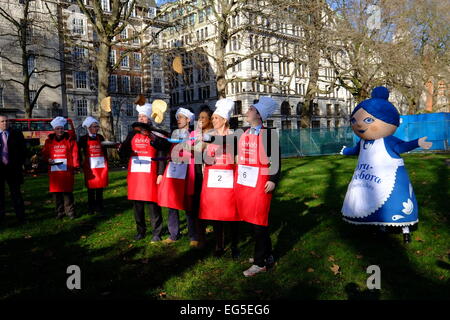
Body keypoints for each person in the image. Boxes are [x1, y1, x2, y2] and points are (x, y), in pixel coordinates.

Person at [340, 86, 432, 243]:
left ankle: (405, 229)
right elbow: (355, 150)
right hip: (366, 178)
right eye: (355, 120)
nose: (360, 125)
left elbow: (401, 147)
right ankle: (377, 224)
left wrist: (417, 142)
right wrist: (345, 151)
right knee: (365, 199)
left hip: (390, 177)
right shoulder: (363, 142)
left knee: (395, 201)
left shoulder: (387, 140)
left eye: (368, 120)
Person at [234, 97, 281, 277]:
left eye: (251, 109)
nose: (247, 111)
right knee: (254, 221)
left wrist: (274, 179)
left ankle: (260, 263)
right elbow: (228, 141)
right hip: (247, 182)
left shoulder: (269, 134)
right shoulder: (244, 132)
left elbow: (276, 159)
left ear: (259, 115)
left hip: (262, 182)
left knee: (259, 221)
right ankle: (266, 255)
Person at [119, 102, 171, 242]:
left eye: (144, 117)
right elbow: (123, 152)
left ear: (149, 119)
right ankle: (140, 231)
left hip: (150, 175)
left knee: (153, 204)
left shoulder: (155, 133)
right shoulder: (131, 134)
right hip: (136, 174)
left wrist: (160, 173)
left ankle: (156, 232)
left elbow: (163, 149)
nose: (141, 119)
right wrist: (124, 150)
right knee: (137, 206)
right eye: (139, 116)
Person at [198, 98, 240, 258]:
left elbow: (237, 158)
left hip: (229, 180)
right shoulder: (208, 135)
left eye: (215, 118)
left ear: (224, 120)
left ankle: (235, 245)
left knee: (232, 214)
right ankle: (219, 245)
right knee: (216, 215)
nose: (213, 120)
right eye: (213, 118)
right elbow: (200, 155)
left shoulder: (233, 135)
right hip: (213, 181)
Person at [158, 107, 195, 244]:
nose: (178, 120)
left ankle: (193, 235)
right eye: (177, 117)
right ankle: (174, 234)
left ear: (188, 120)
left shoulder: (194, 135)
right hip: (173, 171)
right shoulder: (173, 135)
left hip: (187, 172)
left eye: (180, 117)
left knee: (188, 204)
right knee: (171, 203)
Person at [42, 116, 80, 220]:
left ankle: (70, 212)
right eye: (57, 128)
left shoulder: (70, 140)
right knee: (56, 192)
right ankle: (59, 212)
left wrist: (76, 166)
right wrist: (48, 159)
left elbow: (75, 153)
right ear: (54, 130)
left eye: (61, 128)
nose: (60, 130)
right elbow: (45, 154)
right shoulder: (48, 141)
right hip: (55, 171)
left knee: (68, 192)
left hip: (67, 169)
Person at [78, 116, 109, 216]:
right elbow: (78, 151)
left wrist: (106, 161)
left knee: (100, 187)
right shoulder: (83, 139)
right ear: (88, 128)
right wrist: (80, 162)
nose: (97, 128)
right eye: (94, 126)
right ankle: (91, 208)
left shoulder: (100, 137)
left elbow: (104, 150)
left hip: (100, 165)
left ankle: (99, 207)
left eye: (97, 126)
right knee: (91, 188)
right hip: (90, 167)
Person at [0, 115, 26, 225]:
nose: (5, 123)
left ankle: (21, 218)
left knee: (16, 194)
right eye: (2, 121)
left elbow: (23, 151)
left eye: (6, 121)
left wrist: (20, 164)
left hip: (13, 169)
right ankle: (1, 218)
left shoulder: (17, 134)